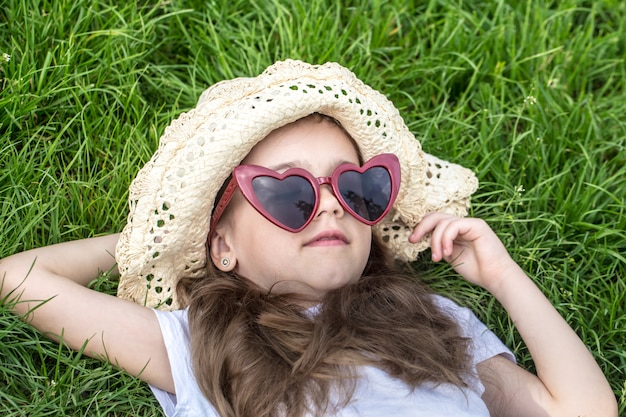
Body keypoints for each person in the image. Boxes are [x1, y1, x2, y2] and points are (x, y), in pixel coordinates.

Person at [0, 60, 616, 417]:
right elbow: (19, 278)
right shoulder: (199, 342)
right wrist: (149, 239)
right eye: (288, 193)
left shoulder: (435, 324)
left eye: (357, 188)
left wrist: (504, 277)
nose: (329, 205)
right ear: (223, 248)